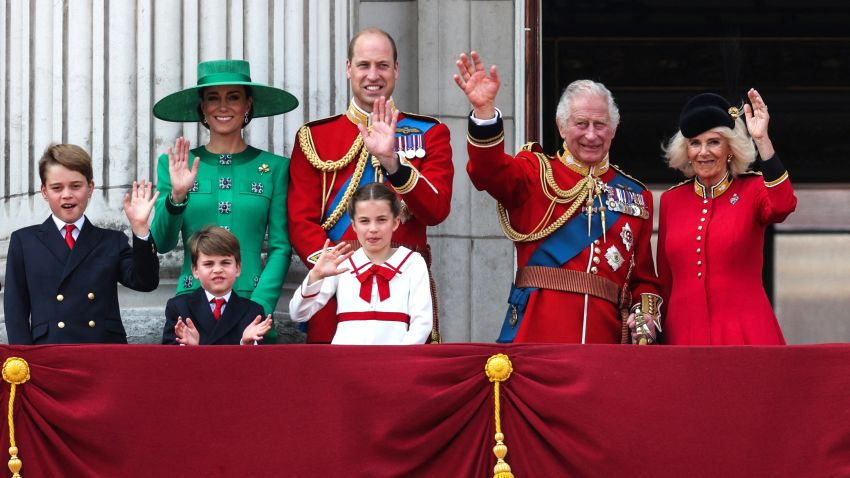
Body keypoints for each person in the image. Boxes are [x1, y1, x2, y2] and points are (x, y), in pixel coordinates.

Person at [454, 51, 661, 344]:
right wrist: (485, 112)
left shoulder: (636, 195)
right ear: (561, 126)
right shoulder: (534, 172)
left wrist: (645, 315)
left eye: (600, 124)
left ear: (614, 129)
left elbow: (643, 280)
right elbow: (488, 172)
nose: (591, 135)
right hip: (539, 334)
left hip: (606, 341)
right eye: (581, 124)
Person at [288, 27, 453, 343]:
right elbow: (300, 221)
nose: (373, 75)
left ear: (396, 69)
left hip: (404, 282)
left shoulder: (430, 133)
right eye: (364, 65)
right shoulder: (315, 137)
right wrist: (338, 269)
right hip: (336, 287)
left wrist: (394, 164)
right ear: (348, 69)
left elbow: (436, 210)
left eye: (382, 65)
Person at [151, 59, 297, 342]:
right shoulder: (176, 164)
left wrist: (259, 308)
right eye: (213, 98)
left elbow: (281, 247)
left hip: (253, 307)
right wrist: (177, 196)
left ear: (248, 105)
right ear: (202, 107)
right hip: (193, 305)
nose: (223, 106)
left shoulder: (275, 168)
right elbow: (163, 242)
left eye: (233, 97)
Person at [657, 89, 796, 345]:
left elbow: (783, 205)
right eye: (695, 143)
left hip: (745, 333)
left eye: (714, 142)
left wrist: (762, 139)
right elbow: (665, 280)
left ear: (730, 148)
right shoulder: (671, 201)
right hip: (684, 335)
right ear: (685, 151)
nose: (703, 152)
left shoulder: (752, 189)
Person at [4, 144, 160, 344]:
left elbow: (145, 282)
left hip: (103, 352)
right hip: (49, 352)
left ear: (90, 188)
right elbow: (16, 310)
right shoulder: (24, 241)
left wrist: (140, 229)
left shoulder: (112, 241)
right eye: (56, 188)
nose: (67, 194)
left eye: (76, 186)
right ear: (44, 192)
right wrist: (23, 361)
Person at [289, 183, 433, 345]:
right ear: (354, 225)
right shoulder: (342, 263)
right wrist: (316, 275)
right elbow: (298, 313)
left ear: (395, 222)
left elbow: (422, 323)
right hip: (346, 363)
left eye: (381, 220)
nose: (373, 229)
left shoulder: (413, 263)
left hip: (395, 362)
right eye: (364, 221)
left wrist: (398, 361)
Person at [162, 226, 272, 346]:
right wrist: (191, 349)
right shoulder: (179, 308)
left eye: (225, 263)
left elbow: (260, 362)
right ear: (195, 270)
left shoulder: (253, 312)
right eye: (208, 264)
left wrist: (246, 344)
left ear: (238, 268)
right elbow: (168, 359)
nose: (218, 270)